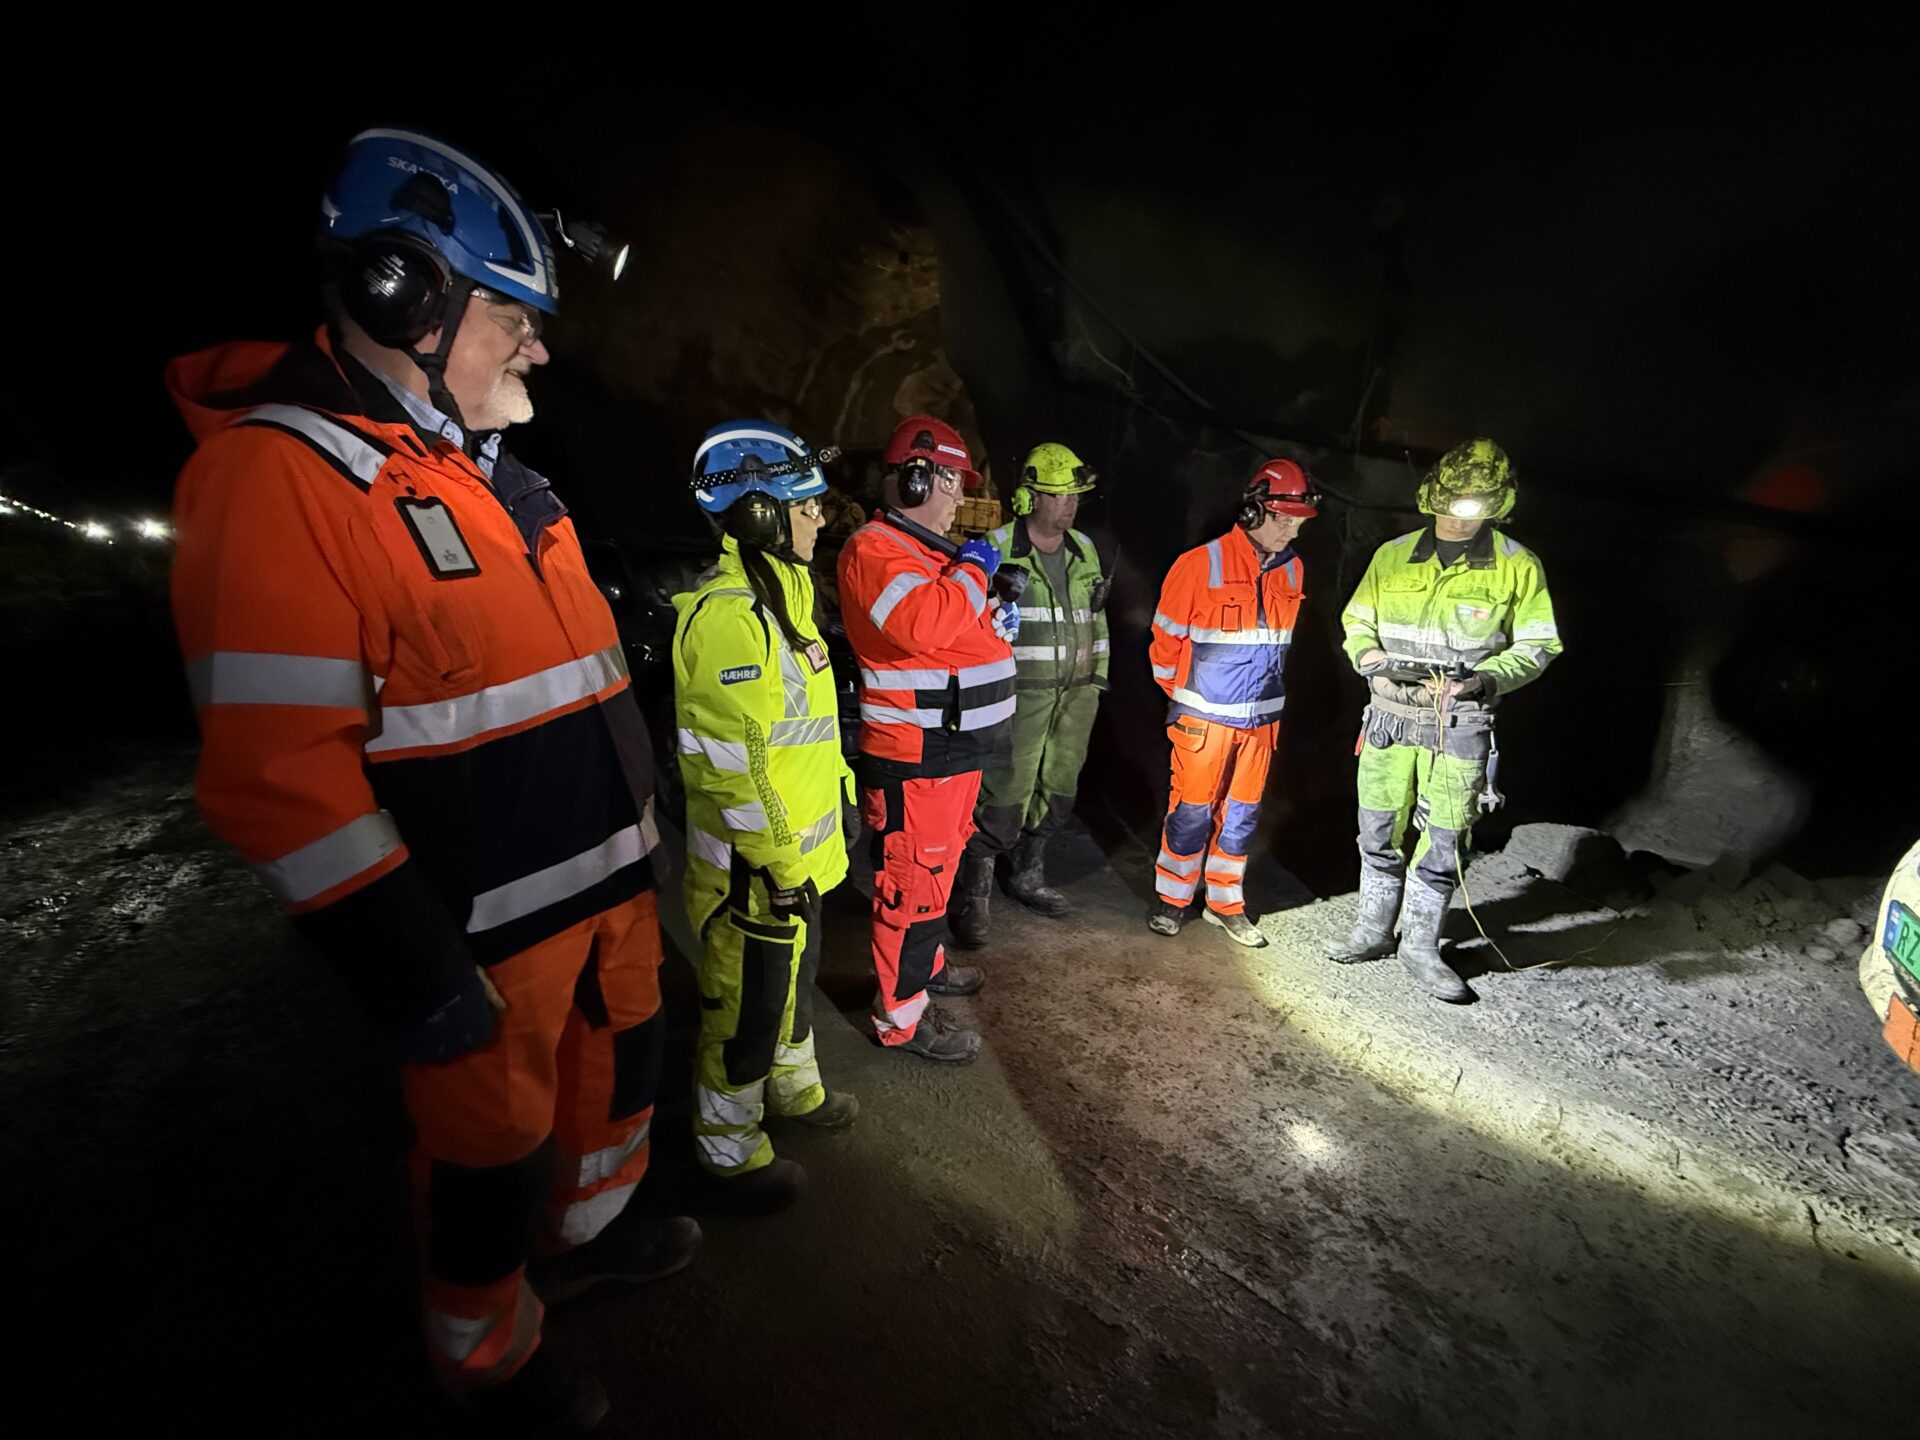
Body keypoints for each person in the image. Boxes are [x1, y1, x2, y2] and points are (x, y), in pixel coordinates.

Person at [167, 127, 693, 1433]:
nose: (539, 348)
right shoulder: (279, 479)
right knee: (484, 1162)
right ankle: (485, 1357)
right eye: (514, 316)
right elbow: (279, 778)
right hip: (479, 943)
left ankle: (579, 1244)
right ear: (404, 296)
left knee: (612, 1092)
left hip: (604, 899)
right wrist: (411, 972)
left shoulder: (500, 479)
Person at [673, 420, 860, 1211]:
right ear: (758, 516)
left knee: (792, 990)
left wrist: (838, 813)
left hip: (796, 863)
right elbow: (732, 767)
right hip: (756, 871)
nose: (821, 518)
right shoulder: (729, 618)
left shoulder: (785, 598)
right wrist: (781, 862)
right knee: (744, 1012)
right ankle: (731, 1152)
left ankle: (793, 1094)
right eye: (806, 506)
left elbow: (799, 738)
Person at [1330, 437, 1563, 1001]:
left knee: (1445, 837)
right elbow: (1357, 620)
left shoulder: (1516, 567)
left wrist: (1483, 680)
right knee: (1377, 828)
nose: (1459, 517)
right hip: (1389, 717)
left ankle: (1420, 947)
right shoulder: (1393, 556)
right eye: (1451, 503)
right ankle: (1373, 929)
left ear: (1497, 506)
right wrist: (1370, 662)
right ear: (1432, 498)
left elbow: (1539, 645)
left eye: (1474, 506)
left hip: (1458, 724)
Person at [835, 415, 1019, 1060]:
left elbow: (954, 634)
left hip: (950, 751)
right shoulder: (875, 551)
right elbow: (920, 625)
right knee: (911, 887)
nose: (960, 497)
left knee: (934, 877)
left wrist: (996, 614)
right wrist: (974, 572)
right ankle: (902, 1020)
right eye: (951, 481)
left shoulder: (922, 552)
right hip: (918, 757)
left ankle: (928, 966)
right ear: (917, 478)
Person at [1146, 460, 1318, 947]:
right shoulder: (1199, 564)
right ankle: (1172, 900)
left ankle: (1225, 903)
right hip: (1203, 719)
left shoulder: (1294, 568)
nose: (1292, 529)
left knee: (1240, 815)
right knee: (1191, 812)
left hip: (1261, 723)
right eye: (1283, 518)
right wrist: (1189, 699)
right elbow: (1164, 644)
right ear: (1251, 511)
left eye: (1298, 520)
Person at [951, 442, 1109, 945]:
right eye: (1059, 495)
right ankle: (973, 892)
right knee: (1005, 787)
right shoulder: (995, 548)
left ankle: (1027, 873)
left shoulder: (1084, 549)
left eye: (1075, 496)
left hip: (1076, 693)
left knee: (1059, 784)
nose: (1070, 505)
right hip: (1017, 696)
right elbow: (966, 624)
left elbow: (1096, 617)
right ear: (1031, 497)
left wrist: (1097, 679)